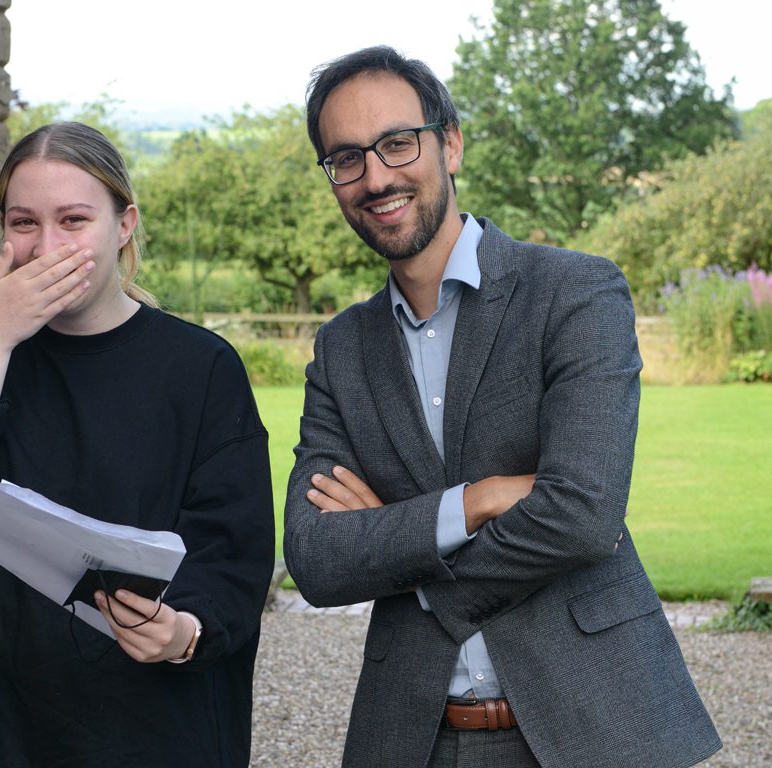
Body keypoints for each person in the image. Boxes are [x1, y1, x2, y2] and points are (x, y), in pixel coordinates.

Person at [283, 46, 721, 768]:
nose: (376, 176)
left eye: (397, 143)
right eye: (347, 158)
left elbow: (581, 517)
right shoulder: (341, 350)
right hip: (412, 740)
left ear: (449, 143)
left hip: (596, 728)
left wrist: (405, 557)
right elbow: (317, 559)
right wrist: (477, 501)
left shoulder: (574, 294)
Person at [0, 122, 274, 767]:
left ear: (124, 224)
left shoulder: (199, 368)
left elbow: (233, 548)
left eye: (74, 219)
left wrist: (184, 631)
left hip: (142, 726)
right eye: (24, 223)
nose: (47, 247)